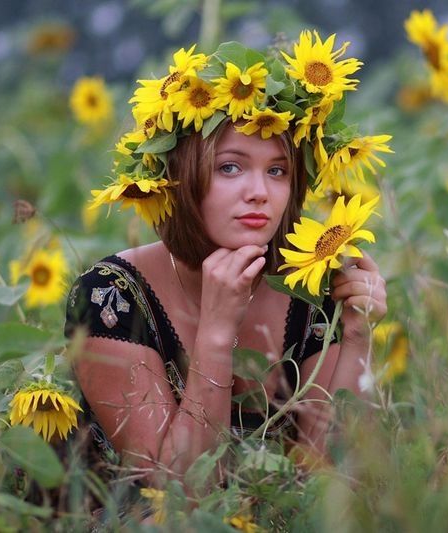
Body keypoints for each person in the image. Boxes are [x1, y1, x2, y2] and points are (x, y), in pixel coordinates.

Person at [64, 35, 389, 484]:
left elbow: (329, 476)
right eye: (230, 167)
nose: (259, 192)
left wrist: (355, 337)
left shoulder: (311, 289)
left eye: (277, 170)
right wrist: (216, 335)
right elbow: (176, 490)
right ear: (179, 177)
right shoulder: (111, 296)